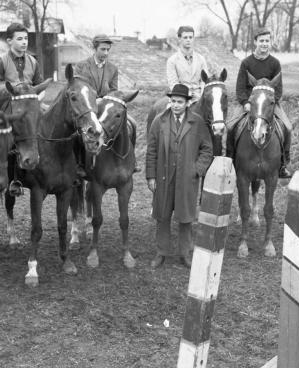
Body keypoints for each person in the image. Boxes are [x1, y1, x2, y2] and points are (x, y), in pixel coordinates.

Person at [146, 83, 213, 269]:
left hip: (186, 178)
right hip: (163, 176)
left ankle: (185, 254)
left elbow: (207, 149)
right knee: (162, 215)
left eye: (180, 102)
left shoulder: (197, 122)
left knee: (186, 216)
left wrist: (197, 169)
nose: (176, 105)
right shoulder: (159, 121)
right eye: (173, 101)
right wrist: (151, 176)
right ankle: (161, 252)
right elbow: (151, 151)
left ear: (187, 103)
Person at [74, 34, 139, 175]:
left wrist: (105, 101)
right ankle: (79, 163)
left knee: (132, 123)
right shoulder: (81, 66)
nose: (106, 53)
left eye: (108, 50)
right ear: (94, 48)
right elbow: (79, 89)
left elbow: (114, 91)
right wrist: (93, 101)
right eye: (103, 49)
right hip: (87, 108)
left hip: (106, 107)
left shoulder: (113, 69)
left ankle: (131, 161)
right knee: (77, 131)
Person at [232, 27, 292, 179]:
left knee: (288, 127)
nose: (264, 44)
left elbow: (278, 89)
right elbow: (240, 87)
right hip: (251, 103)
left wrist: (271, 103)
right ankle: (230, 160)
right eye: (261, 41)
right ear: (255, 42)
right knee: (230, 126)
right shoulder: (246, 63)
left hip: (269, 104)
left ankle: (283, 164)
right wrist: (245, 102)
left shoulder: (275, 63)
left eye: (267, 41)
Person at [166, 26, 208, 102]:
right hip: (180, 97)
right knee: (170, 111)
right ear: (179, 39)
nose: (188, 40)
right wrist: (186, 94)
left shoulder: (201, 59)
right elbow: (173, 83)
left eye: (190, 37)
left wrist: (200, 95)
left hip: (199, 97)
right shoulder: (172, 60)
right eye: (185, 37)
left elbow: (204, 81)